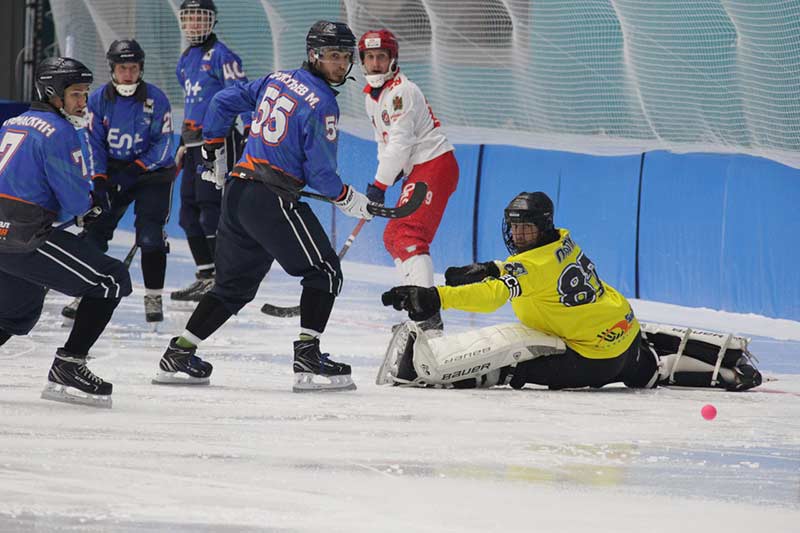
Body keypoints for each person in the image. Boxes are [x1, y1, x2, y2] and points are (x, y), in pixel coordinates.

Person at [152, 21, 373, 392]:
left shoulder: (277, 79)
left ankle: (179, 354)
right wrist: (347, 197)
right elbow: (319, 173)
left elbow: (222, 102)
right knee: (325, 272)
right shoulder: (323, 103)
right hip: (272, 197)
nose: (340, 64)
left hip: (238, 194)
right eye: (333, 56)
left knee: (232, 288)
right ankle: (308, 357)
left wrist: (212, 145)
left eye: (345, 57)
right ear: (314, 55)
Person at [379, 191, 762, 392]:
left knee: (514, 369)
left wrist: (436, 296)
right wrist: (491, 266)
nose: (517, 235)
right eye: (514, 227)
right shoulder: (563, 241)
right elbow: (523, 270)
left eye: (526, 229)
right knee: (643, 369)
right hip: (621, 328)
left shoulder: (531, 266)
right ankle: (727, 360)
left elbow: (493, 296)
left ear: (542, 227)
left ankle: (427, 372)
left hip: (592, 357)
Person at [0, 57, 132, 408]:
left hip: (3, 231)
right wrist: (93, 204)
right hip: (26, 236)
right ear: (52, 93)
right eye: (75, 94)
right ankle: (69, 366)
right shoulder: (61, 132)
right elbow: (75, 202)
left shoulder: (13, 122)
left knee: (15, 313)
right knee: (111, 279)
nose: (82, 102)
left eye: (85, 93)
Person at [60, 40, 175, 325]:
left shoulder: (156, 99)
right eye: (122, 68)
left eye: (133, 68)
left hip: (152, 173)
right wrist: (99, 179)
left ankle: (153, 296)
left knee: (150, 236)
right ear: (113, 69)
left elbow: (164, 144)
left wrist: (135, 170)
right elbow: (93, 142)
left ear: (140, 69)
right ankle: (85, 288)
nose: (128, 74)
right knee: (95, 229)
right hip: (112, 171)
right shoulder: (98, 99)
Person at [358, 29, 459, 334]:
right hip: (419, 167)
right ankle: (416, 306)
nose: (375, 63)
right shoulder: (373, 98)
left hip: (434, 163)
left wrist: (379, 185)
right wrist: (383, 180)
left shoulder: (402, 92)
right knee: (393, 236)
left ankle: (426, 317)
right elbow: (385, 146)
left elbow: (400, 144)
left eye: (381, 57)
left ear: (392, 59)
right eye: (370, 57)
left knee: (409, 234)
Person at [171, 0, 248, 302]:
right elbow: (193, 102)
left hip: (218, 141)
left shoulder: (223, 56)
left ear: (212, 21)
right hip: (191, 142)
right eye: (189, 18)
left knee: (210, 207)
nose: (194, 24)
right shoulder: (186, 58)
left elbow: (241, 94)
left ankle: (224, 276)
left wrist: (252, 129)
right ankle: (205, 274)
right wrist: (182, 141)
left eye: (201, 18)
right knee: (187, 212)